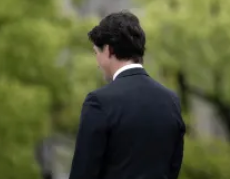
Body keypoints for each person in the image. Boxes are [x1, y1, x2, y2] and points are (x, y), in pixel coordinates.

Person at [69, 10, 185, 179]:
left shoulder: (99, 102)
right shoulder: (171, 100)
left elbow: (84, 171)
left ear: (108, 50)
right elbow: (173, 167)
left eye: (96, 53)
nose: (97, 63)